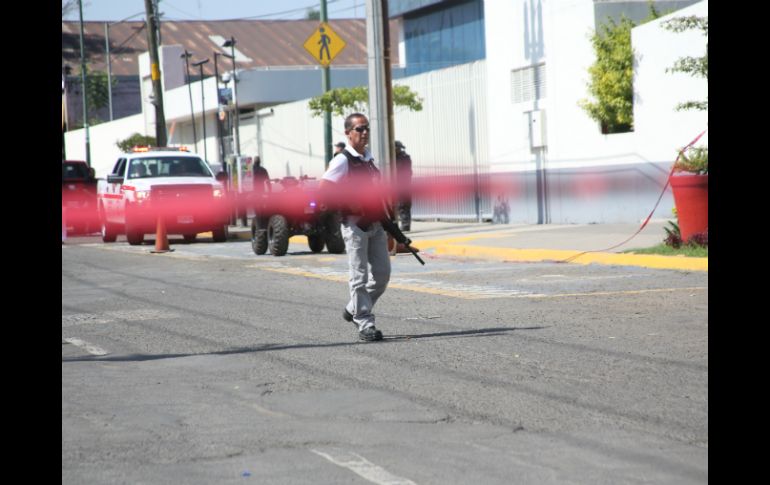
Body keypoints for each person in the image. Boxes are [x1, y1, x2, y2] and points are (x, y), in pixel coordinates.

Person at [319, 113, 390, 342]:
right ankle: (364, 322)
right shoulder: (342, 160)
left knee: (381, 275)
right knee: (359, 276)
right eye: (359, 129)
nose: (364, 132)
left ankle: (352, 308)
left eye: (366, 128)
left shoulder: (368, 159)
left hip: (376, 223)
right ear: (348, 133)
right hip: (355, 225)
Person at [394, 140, 413, 231]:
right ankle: (405, 224)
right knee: (403, 206)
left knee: (403, 206)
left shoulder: (402, 158)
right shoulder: (404, 157)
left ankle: (405, 225)